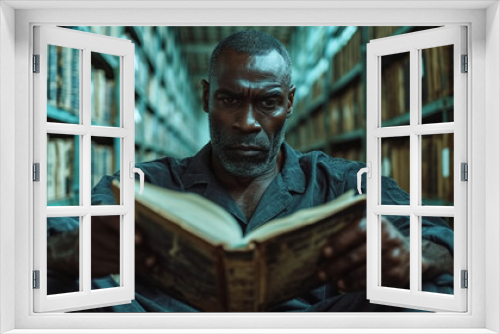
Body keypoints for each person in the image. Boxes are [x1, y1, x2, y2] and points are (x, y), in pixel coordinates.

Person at [47, 30, 454, 312]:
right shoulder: (142, 186)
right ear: (206, 97)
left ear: (290, 103)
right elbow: (51, 242)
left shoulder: (349, 184)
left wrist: (414, 259)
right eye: (229, 99)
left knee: (434, 286)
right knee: (63, 283)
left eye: (268, 102)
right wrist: (67, 253)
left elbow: (442, 239)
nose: (247, 122)